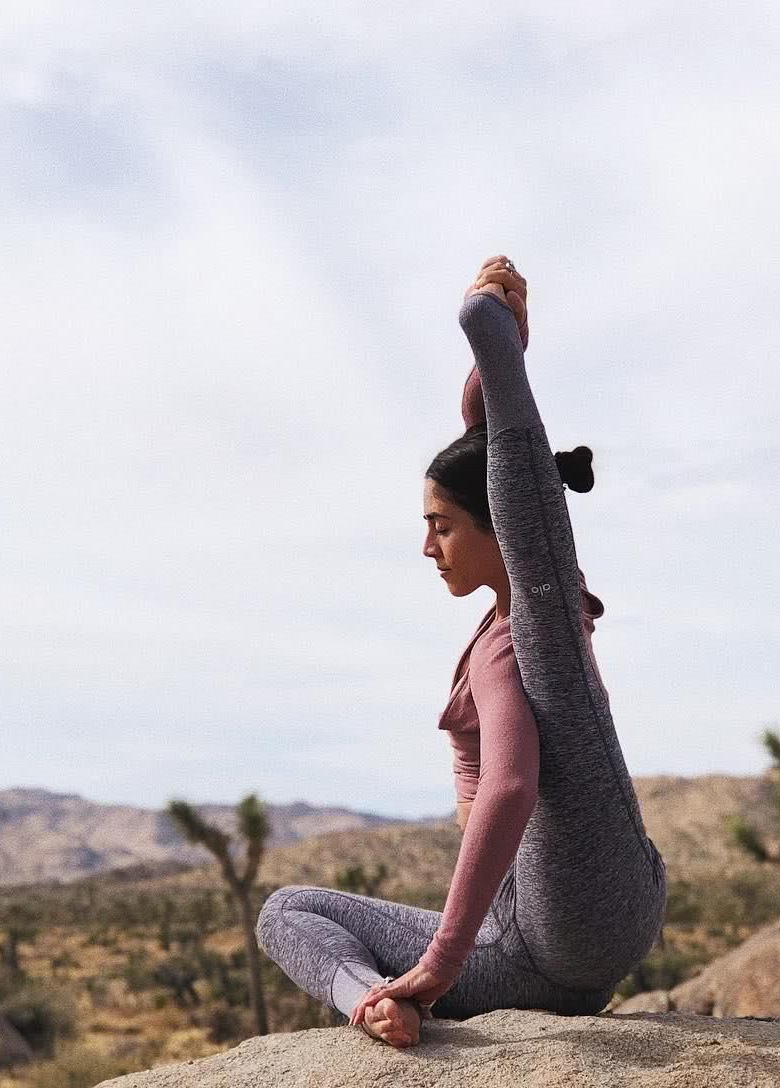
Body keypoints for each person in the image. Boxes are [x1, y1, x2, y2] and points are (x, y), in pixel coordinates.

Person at [256, 255, 667, 1048]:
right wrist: (497, 359)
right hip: (618, 910)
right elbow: (499, 463)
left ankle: (375, 1002)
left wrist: (443, 960)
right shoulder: (551, 608)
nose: (427, 546)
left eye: (440, 525)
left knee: (286, 911)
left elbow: (511, 783)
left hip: (543, 939)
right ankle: (388, 997)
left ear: (493, 529)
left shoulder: (519, 636)